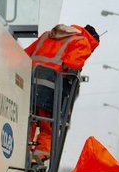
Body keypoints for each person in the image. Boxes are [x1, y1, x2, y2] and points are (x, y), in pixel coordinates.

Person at [25, 24, 100, 160]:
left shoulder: (47, 35)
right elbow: (72, 65)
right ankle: (37, 160)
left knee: (27, 122)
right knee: (48, 129)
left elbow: (25, 54)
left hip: (28, 85)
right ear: (92, 41)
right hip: (51, 90)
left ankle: (22, 154)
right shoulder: (82, 42)